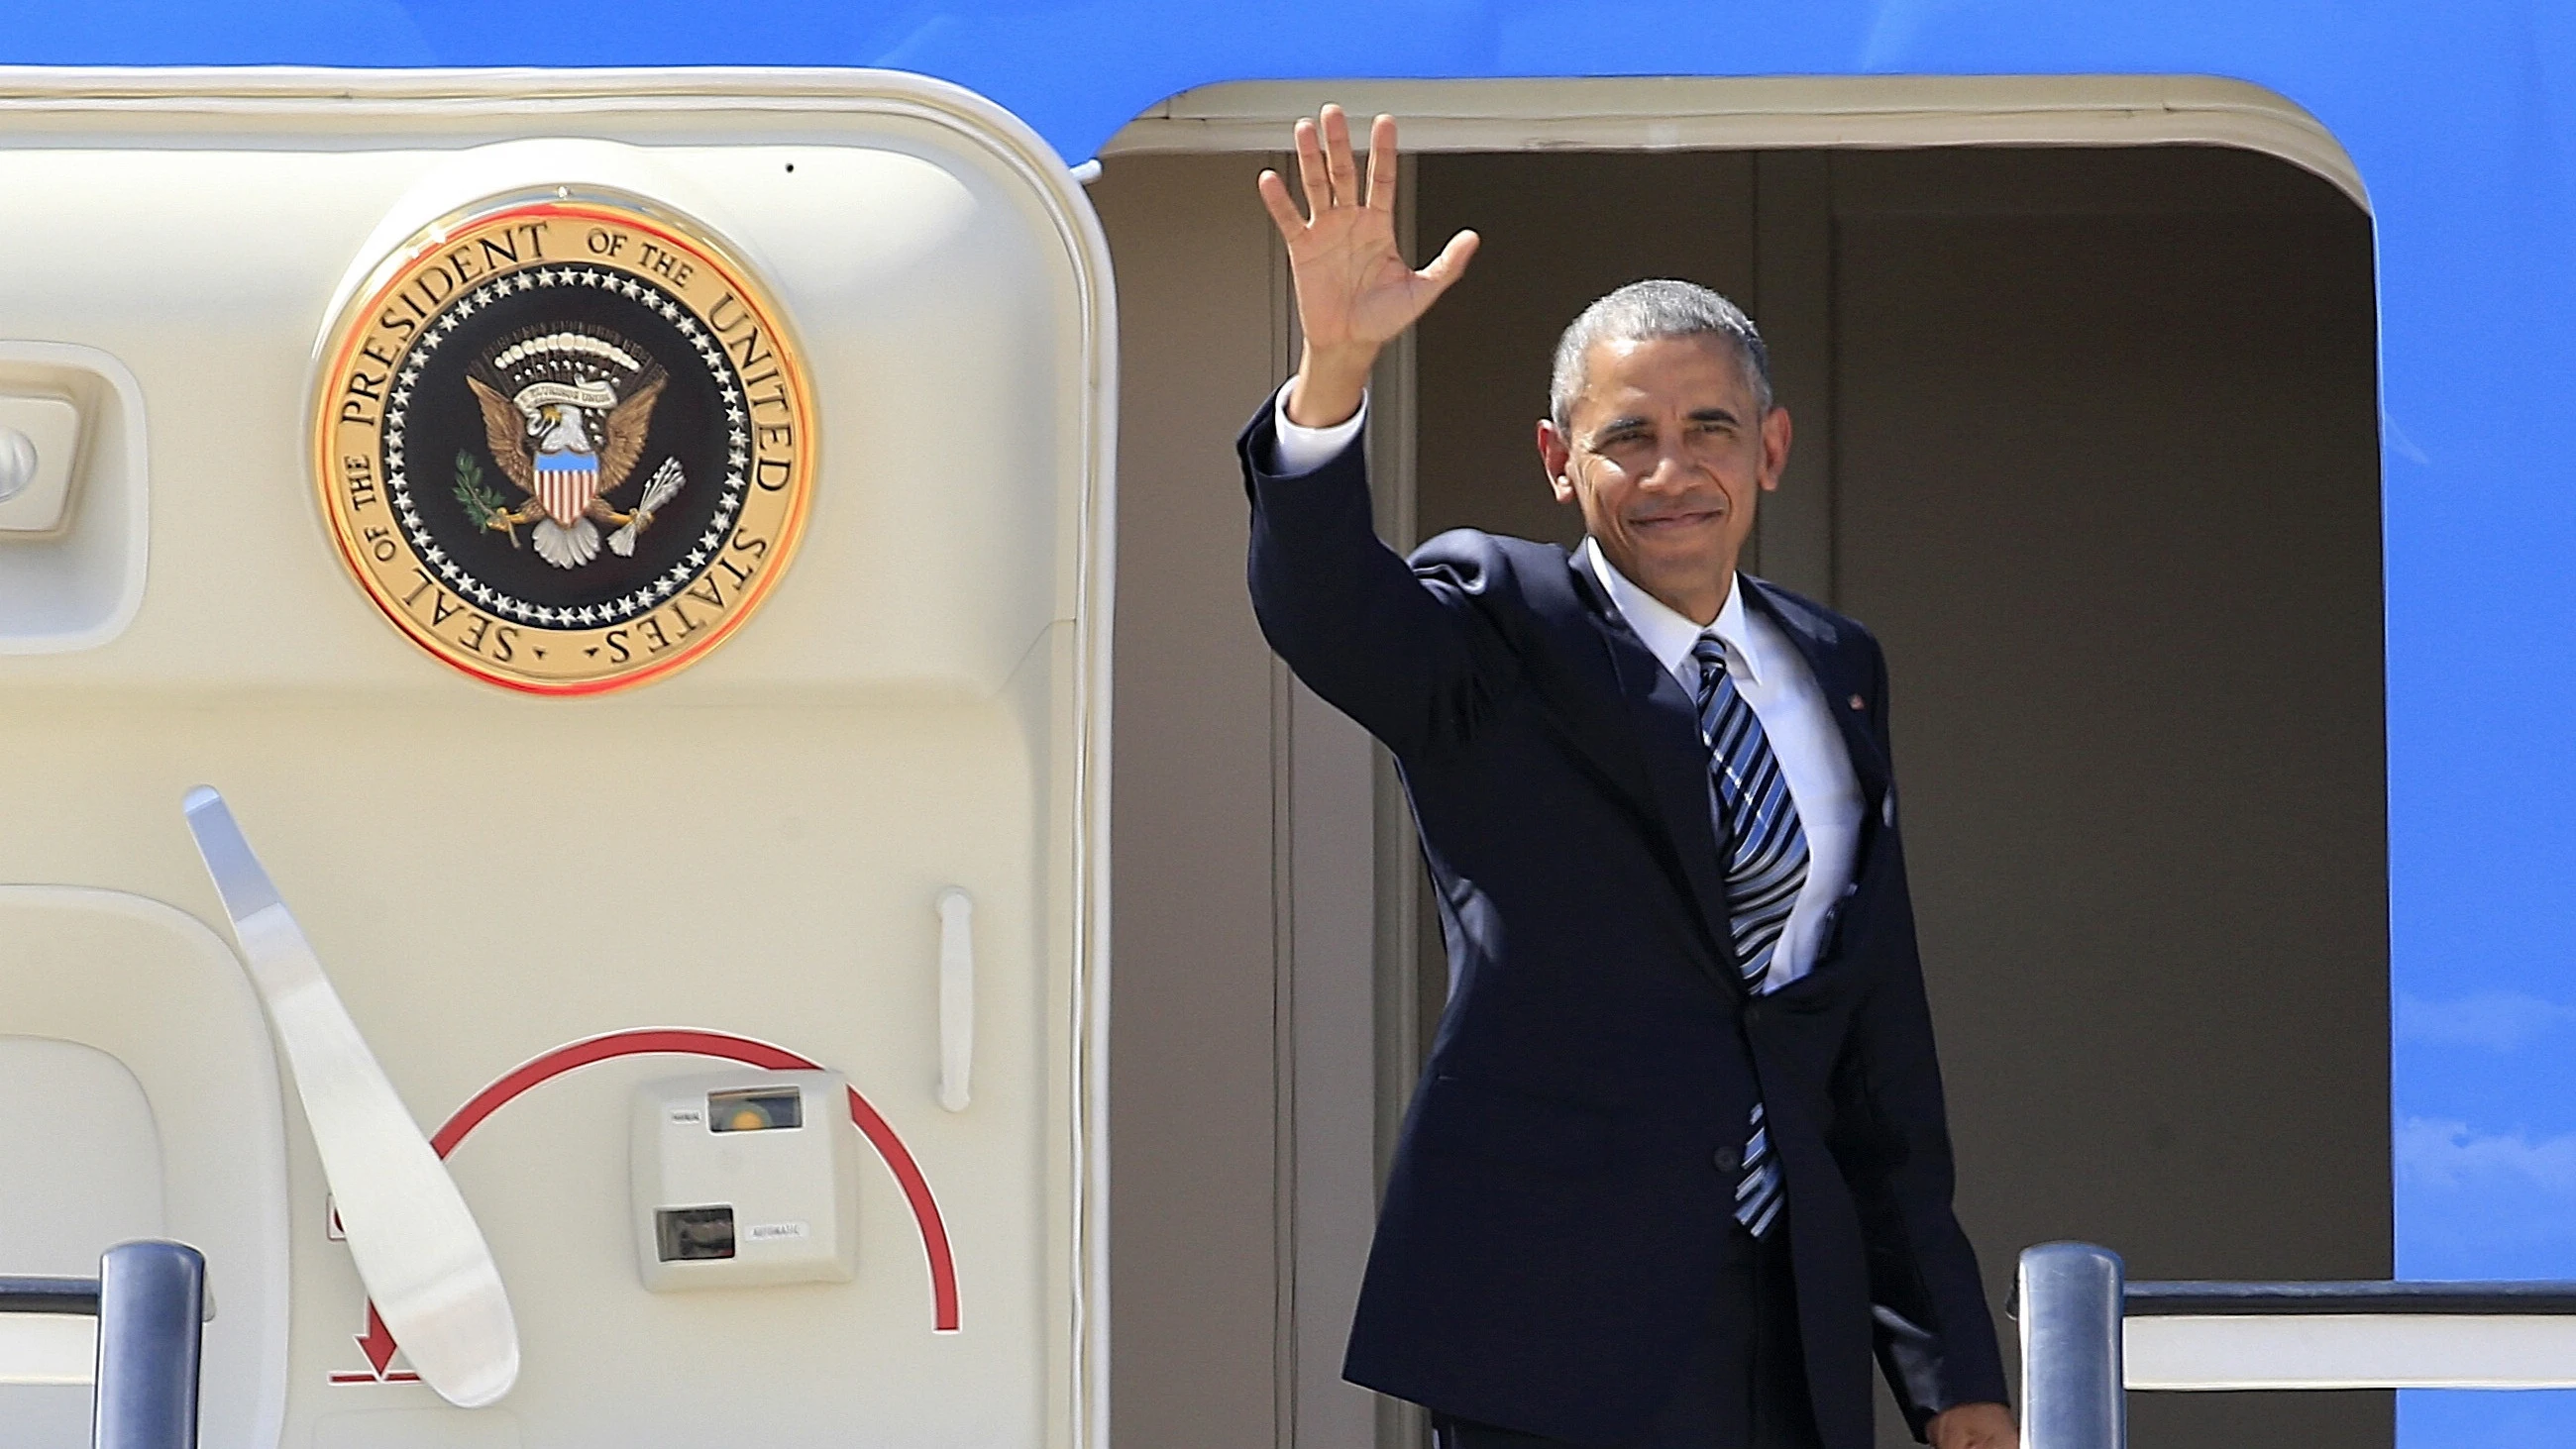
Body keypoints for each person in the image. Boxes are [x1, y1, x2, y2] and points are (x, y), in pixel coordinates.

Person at [1239, 107, 2020, 1449]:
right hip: (1554, 1322)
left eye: (1710, 428)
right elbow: (1327, 612)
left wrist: (1955, 1372)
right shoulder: (1499, 620)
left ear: (1768, 451)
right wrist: (1333, 374)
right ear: (1560, 461)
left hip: (1792, 1322)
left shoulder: (1839, 664)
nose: (1672, 471)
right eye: (1626, 436)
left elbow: (1877, 1054)